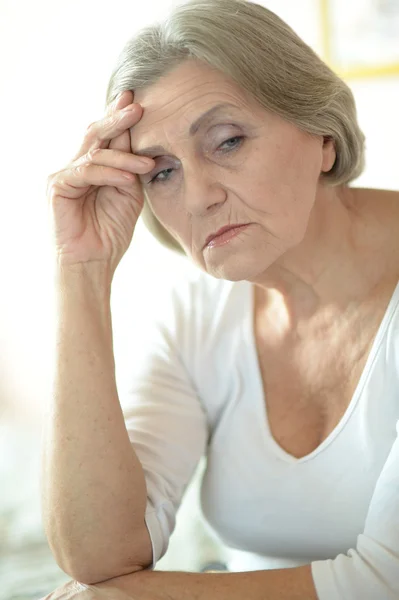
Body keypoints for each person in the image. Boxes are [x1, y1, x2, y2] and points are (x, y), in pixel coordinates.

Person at [42, 0, 399, 598]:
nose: (200, 195)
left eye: (227, 141)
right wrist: (80, 272)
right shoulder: (194, 316)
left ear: (323, 137)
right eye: (161, 172)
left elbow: (383, 580)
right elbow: (98, 550)